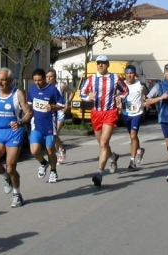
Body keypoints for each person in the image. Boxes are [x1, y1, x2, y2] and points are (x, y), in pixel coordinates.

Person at [0, 67, 32, 208]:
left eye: (3, 80)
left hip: (13, 133)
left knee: (11, 167)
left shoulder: (17, 94)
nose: (0, 83)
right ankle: (6, 177)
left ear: (11, 80)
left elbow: (29, 113)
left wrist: (19, 122)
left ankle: (17, 195)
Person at [80, 55, 129, 186]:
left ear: (107, 65)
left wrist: (120, 97)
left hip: (110, 112)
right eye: (98, 63)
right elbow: (82, 93)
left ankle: (99, 173)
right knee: (102, 145)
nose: (100, 65)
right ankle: (113, 156)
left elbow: (125, 90)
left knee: (103, 142)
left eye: (103, 63)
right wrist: (88, 97)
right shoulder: (91, 79)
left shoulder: (115, 78)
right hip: (96, 113)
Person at [28, 68, 64, 183]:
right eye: (35, 80)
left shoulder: (52, 90)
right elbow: (28, 105)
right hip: (36, 125)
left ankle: (53, 171)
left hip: (49, 124)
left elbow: (61, 104)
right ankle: (43, 163)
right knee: (34, 151)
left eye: (39, 80)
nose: (37, 83)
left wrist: (53, 107)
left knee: (50, 149)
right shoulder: (32, 89)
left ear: (44, 79)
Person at [117, 65, 145, 169]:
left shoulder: (140, 84)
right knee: (132, 136)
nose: (129, 75)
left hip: (137, 113)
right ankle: (139, 150)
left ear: (135, 74)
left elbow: (145, 94)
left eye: (131, 73)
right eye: (127, 73)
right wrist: (118, 101)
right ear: (125, 74)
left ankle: (132, 160)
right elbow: (117, 96)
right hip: (126, 113)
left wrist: (145, 99)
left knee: (133, 135)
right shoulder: (121, 85)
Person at [46, 69, 75, 164]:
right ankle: (61, 147)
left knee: (54, 133)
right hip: (50, 112)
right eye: (47, 77)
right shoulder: (45, 87)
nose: (48, 79)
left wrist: (67, 102)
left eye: (50, 77)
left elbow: (72, 92)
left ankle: (61, 151)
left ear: (55, 77)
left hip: (60, 111)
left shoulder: (61, 85)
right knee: (52, 133)